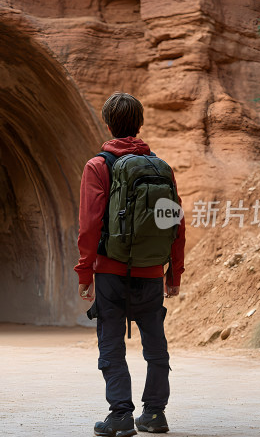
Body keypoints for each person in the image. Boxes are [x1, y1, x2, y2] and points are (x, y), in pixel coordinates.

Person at [75, 92, 186, 436]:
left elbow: (90, 225)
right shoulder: (160, 168)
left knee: (111, 342)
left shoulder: (98, 166)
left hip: (110, 270)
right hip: (152, 271)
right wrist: (174, 272)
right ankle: (155, 413)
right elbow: (175, 222)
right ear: (139, 125)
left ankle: (121, 415)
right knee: (155, 343)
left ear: (108, 124)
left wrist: (85, 271)